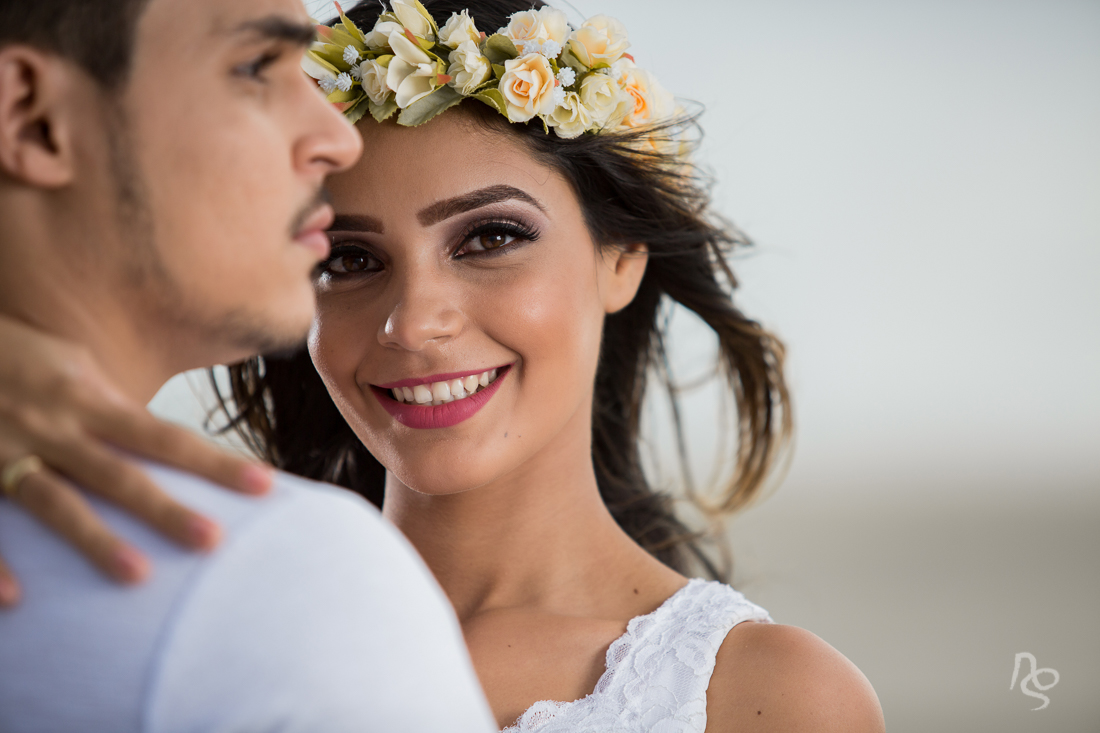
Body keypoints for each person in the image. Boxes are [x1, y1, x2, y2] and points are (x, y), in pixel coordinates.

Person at [0, 0, 886, 730]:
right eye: (347, 258)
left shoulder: (767, 696)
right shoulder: (194, 582)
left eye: (491, 237)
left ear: (620, 258)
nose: (413, 322)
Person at [0, 0, 496, 730]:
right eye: (255, 66)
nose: (337, 139)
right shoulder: (294, 582)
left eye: (489, 239)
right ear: (33, 118)